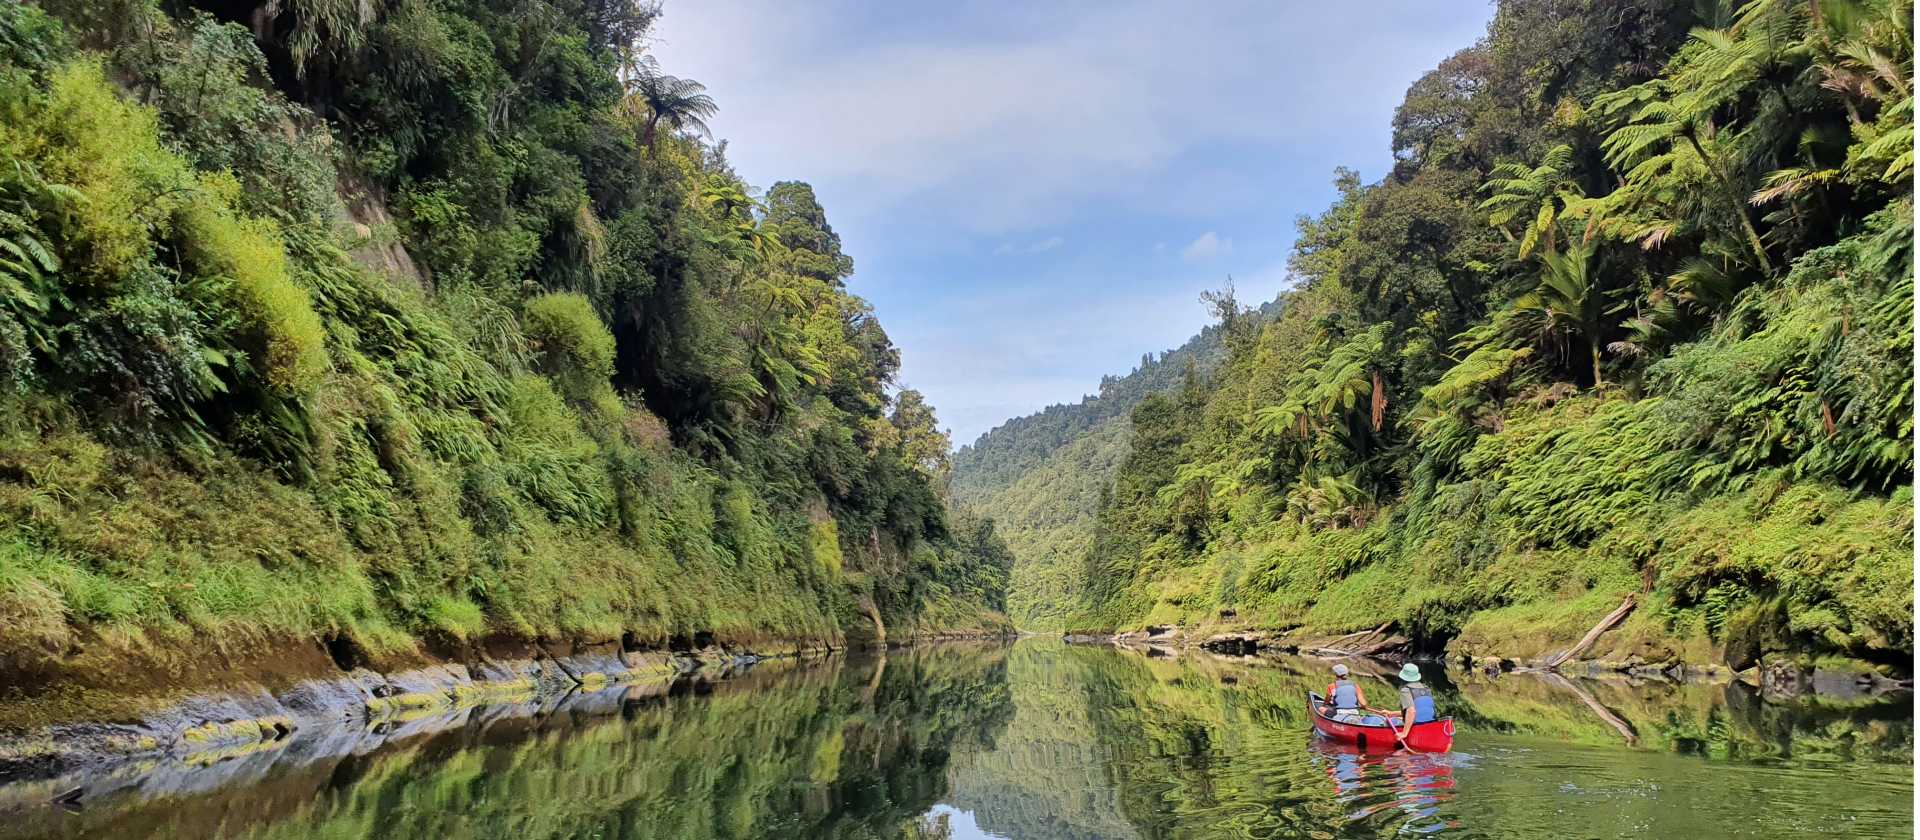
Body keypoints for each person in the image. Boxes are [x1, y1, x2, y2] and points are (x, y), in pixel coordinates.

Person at [1396, 663, 1437, 739]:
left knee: (1392, 722)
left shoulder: (1405, 690)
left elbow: (1411, 711)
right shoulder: (1426, 688)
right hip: (1431, 724)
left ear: (1403, 678)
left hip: (1417, 726)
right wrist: (1391, 713)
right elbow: (1420, 710)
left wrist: (1404, 733)